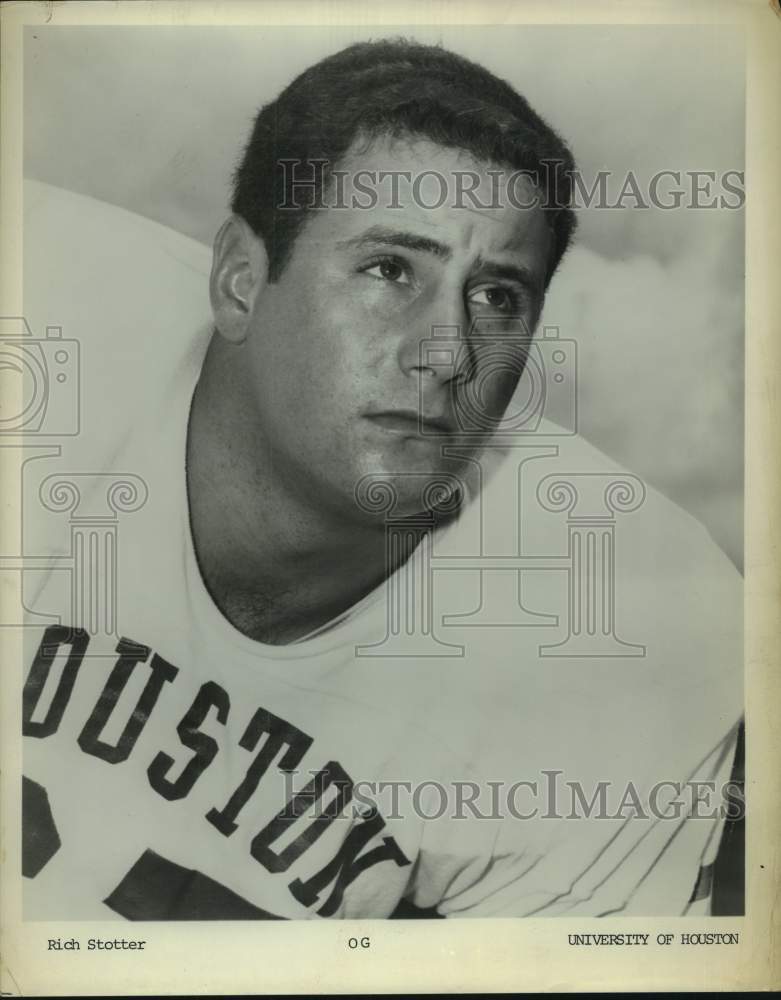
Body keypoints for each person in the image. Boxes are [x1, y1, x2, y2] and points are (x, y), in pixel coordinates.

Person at [19, 39, 742, 920]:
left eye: (496, 296)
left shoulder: (629, 630)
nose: (447, 351)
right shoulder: (39, 319)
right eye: (389, 269)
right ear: (241, 280)